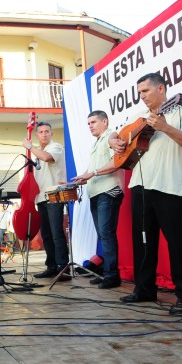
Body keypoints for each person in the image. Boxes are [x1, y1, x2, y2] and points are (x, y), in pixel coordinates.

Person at [110, 73, 182, 313]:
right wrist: (114, 142)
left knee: (178, 242)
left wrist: (166, 128)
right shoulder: (135, 117)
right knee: (143, 242)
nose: (142, 96)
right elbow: (115, 135)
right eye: (139, 92)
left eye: (146, 91)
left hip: (171, 186)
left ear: (161, 89)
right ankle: (144, 290)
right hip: (140, 187)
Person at [71, 110, 125, 289]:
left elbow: (115, 163)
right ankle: (106, 271)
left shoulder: (111, 136)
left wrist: (92, 173)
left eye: (93, 122)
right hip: (96, 193)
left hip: (108, 191)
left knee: (107, 235)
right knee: (104, 235)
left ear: (105, 121)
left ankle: (112, 275)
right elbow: (92, 170)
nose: (90, 126)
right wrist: (81, 178)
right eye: (88, 123)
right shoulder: (96, 143)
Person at [23, 121, 69, 279]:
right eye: (41, 132)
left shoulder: (55, 147)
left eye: (47, 131)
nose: (44, 134)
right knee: (47, 234)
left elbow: (47, 158)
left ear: (51, 133)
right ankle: (51, 266)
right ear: (37, 135)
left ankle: (63, 267)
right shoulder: (36, 153)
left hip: (54, 193)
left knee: (57, 232)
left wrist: (30, 147)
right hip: (41, 196)